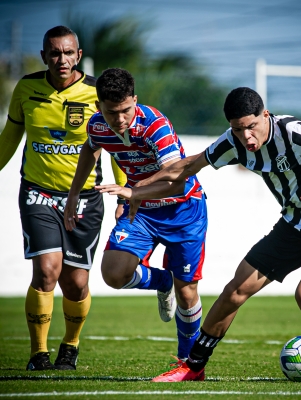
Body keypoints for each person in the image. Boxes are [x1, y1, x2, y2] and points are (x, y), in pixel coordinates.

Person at [129, 87, 301, 382]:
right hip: (292, 227)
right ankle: (193, 367)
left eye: (252, 126)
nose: (246, 137)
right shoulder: (233, 142)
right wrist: (137, 189)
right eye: (238, 129)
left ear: (265, 115)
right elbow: (189, 165)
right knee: (234, 292)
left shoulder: (293, 132)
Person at [0, 26, 126, 371]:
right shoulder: (26, 88)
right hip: (38, 192)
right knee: (46, 270)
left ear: (79, 55)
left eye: (68, 52)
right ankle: (38, 354)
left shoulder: (96, 93)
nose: (62, 59)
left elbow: (116, 144)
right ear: (44, 56)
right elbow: (9, 137)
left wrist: (123, 193)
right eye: (54, 53)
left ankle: (70, 346)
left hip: (86, 198)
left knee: (76, 283)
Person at [64, 67, 208, 362]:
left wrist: (132, 193)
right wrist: (74, 194)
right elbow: (90, 149)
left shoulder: (155, 126)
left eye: (125, 111)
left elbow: (177, 181)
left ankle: (187, 363)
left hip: (183, 210)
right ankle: (163, 281)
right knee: (113, 274)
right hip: (140, 212)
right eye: (111, 112)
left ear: (135, 101)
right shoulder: (97, 125)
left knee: (187, 293)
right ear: (98, 106)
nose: (119, 119)